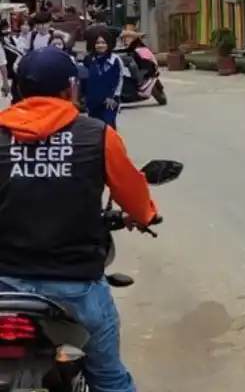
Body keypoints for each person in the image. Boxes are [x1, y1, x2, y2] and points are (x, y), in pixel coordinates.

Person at [0, 46, 159, 392]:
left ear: (19, 89)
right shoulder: (97, 135)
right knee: (109, 377)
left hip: (5, 285)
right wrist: (145, 214)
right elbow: (135, 196)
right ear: (70, 88)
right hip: (76, 288)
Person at [81, 26, 124, 128]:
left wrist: (112, 97)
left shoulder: (115, 60)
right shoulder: (88, 59)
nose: (101, 45)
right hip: (93, 102)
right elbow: (84, 79)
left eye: (104, 43)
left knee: (108, 127)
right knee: (95, 129)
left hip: (110, 102)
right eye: (98, 43)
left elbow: (119, 80)